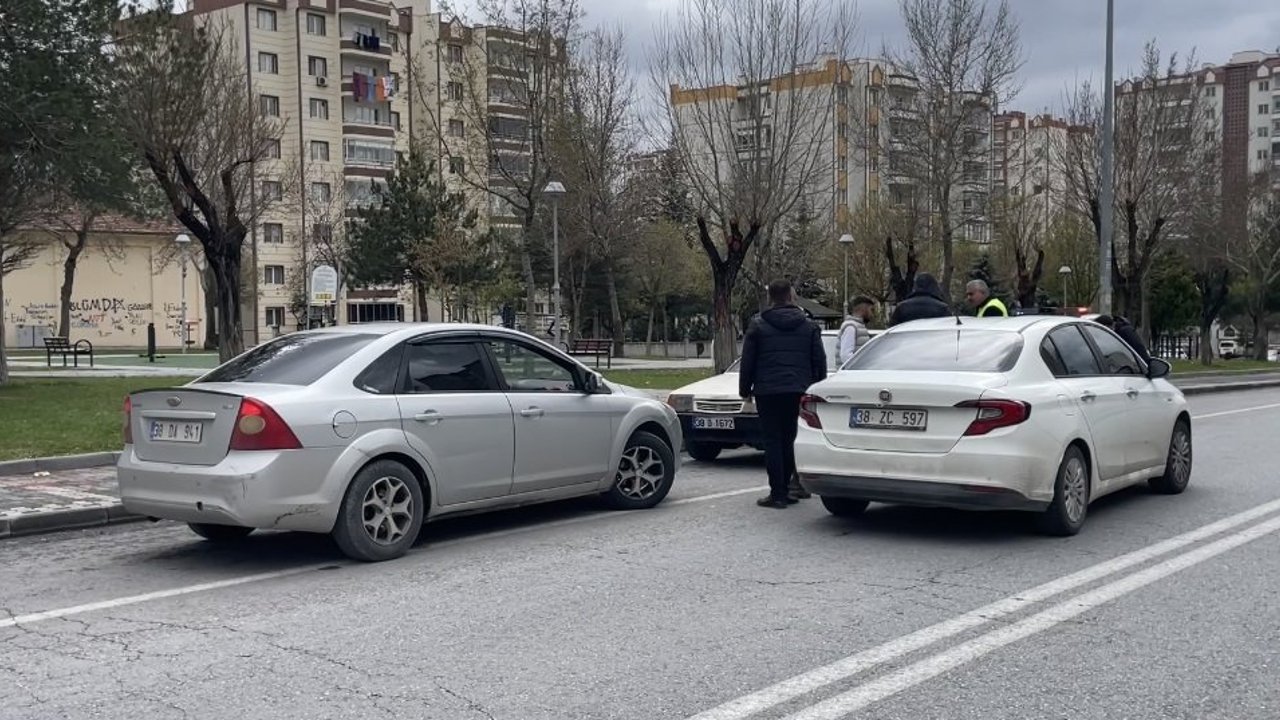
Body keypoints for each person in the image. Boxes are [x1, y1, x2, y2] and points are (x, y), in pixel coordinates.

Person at [739, 279, 827, 509]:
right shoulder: (809, 326)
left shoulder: (758, 325)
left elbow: (748, 361)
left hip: (767, 390)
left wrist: (745, 390)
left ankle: (777, 493)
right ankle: (788, 488)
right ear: (791, 296)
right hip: (798, 389)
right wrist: (817, 388)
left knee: (772, 441)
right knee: (790, 439)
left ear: (770, 298)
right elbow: (819, 360)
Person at [837, 296, 875, 366]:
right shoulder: (851, 327)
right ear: (863, 309)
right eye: (871, 310)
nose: (872, 314)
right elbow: (845, 355)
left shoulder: (858, 326)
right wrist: (859, 367)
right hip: (851, 372)